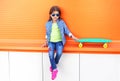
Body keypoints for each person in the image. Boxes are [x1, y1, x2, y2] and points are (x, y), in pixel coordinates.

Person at [42, 6, 78, 80]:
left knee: (59, 53)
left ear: (59, 15)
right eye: (53, 15)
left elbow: (67, 31)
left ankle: (53, 65)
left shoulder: (61, 22)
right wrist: (46, 42)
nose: (55, 16)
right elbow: (47, 34)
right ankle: (55, 70)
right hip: (51, 42)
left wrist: (73, 37)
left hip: (59, 42)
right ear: (50, 15)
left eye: (57, 15)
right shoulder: (48, 24)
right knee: (50, 54)